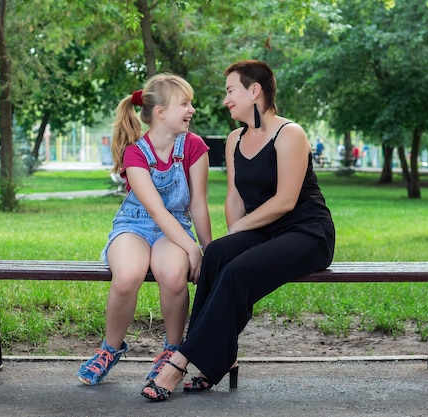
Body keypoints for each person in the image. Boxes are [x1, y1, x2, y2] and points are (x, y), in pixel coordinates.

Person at [141, 60, 335, 401]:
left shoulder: (290, 133)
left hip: (308, 233)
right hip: (266, 230)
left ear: (254, 90)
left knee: (237, 273)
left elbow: (285, 201)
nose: (226, 100)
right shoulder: (235, 139)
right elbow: (234, 197)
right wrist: (233, 238)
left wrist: (240, 233)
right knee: (217, 253)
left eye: (231, 91)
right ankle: (223, 357)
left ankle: (179, 361)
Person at [77, 73, 212, 386]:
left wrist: (209, 251)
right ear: (161, 112)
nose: (192, 109)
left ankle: (172, 352)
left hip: (175, 226)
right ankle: (110, 349)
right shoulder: (135, 152)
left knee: (173, 274)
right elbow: (154, 209)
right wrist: (192, 248)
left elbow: (199, 205)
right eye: (185, 103)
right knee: (127, 276)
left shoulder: (194, 147)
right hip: (134, 223)